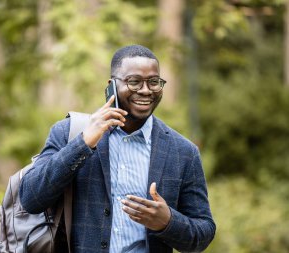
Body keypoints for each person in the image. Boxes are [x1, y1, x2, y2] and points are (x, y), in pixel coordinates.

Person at [19, 45, 216, 253]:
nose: (146, 90)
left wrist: (167, 222)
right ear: (111, 84)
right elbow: (30, 198)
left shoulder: (183, 152)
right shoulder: (69, 132)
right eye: (134, 81)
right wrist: (83, 143)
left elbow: (204, 233)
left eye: (154, 82)